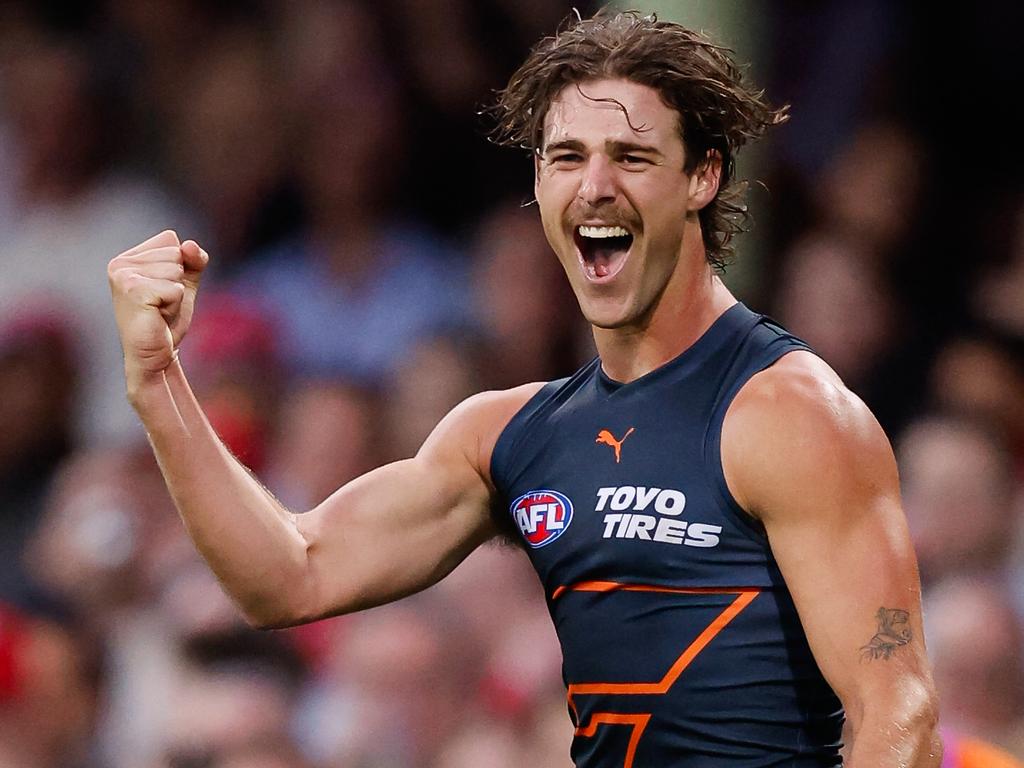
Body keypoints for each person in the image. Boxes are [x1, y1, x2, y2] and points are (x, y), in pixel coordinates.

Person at [107, 10, 941, 767]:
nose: (595, 185)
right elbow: (289, 576)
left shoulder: (789, 414)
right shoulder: (509, 433)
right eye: (567, 156)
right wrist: (157, 383)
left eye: (633, 155)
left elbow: (894, 709)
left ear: (703, 177)